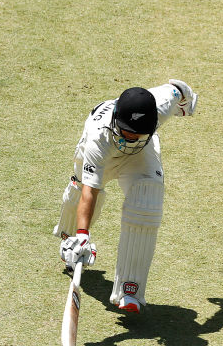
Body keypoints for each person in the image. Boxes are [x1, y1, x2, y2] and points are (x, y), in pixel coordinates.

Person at [54, 80, 198, 311]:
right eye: (126, 132)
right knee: (83, 188)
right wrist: (83, 234)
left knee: (146, 202)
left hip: (140, 157)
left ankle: (130, 289)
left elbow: (180, 90)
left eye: (137, 134)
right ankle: (70, 241)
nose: (130, 138)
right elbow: (91, 192)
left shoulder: (160, 106)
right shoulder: (97, 136)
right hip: (104, 152)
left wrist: (187, 104)